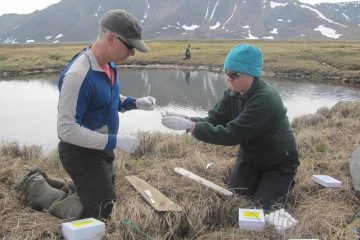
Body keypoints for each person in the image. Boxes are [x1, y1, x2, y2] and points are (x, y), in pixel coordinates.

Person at [13, 9, 156, 220]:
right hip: (80, 153)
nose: (132, 53)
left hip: (101, 149)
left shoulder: (109, 64)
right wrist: (115, 141)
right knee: (102, 211)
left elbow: (106, 100)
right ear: (111, 39)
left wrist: (134, 103)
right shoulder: (78, 75)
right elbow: (66, 130)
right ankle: (35, 189)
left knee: (103, 195)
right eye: (130, 47)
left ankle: (49, 182)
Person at [162, 44, 300, 210]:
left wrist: (191, 127)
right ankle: (262, 182)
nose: (229, 78)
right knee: (237, 200)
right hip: (249, 159)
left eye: (234, 74)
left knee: (262, 209)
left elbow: (232, 134)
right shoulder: (232, 93)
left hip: (278, 162)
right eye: (227, 72)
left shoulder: (266, 99)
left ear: (252, 73)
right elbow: (213, 120)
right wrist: (186, 118)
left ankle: (283, 182)